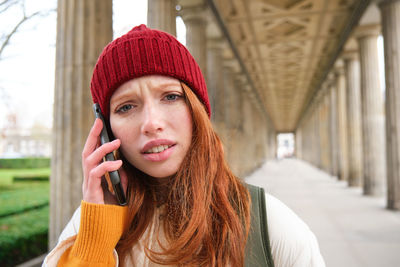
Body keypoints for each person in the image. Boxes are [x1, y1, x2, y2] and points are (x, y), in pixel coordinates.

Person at [43, 24, 325, 267]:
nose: (151, 123)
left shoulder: (270, 225)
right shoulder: (89, 223)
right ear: (105, 130)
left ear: (197, 111)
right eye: (126, 107)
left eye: (170, 97)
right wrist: (96, 238)